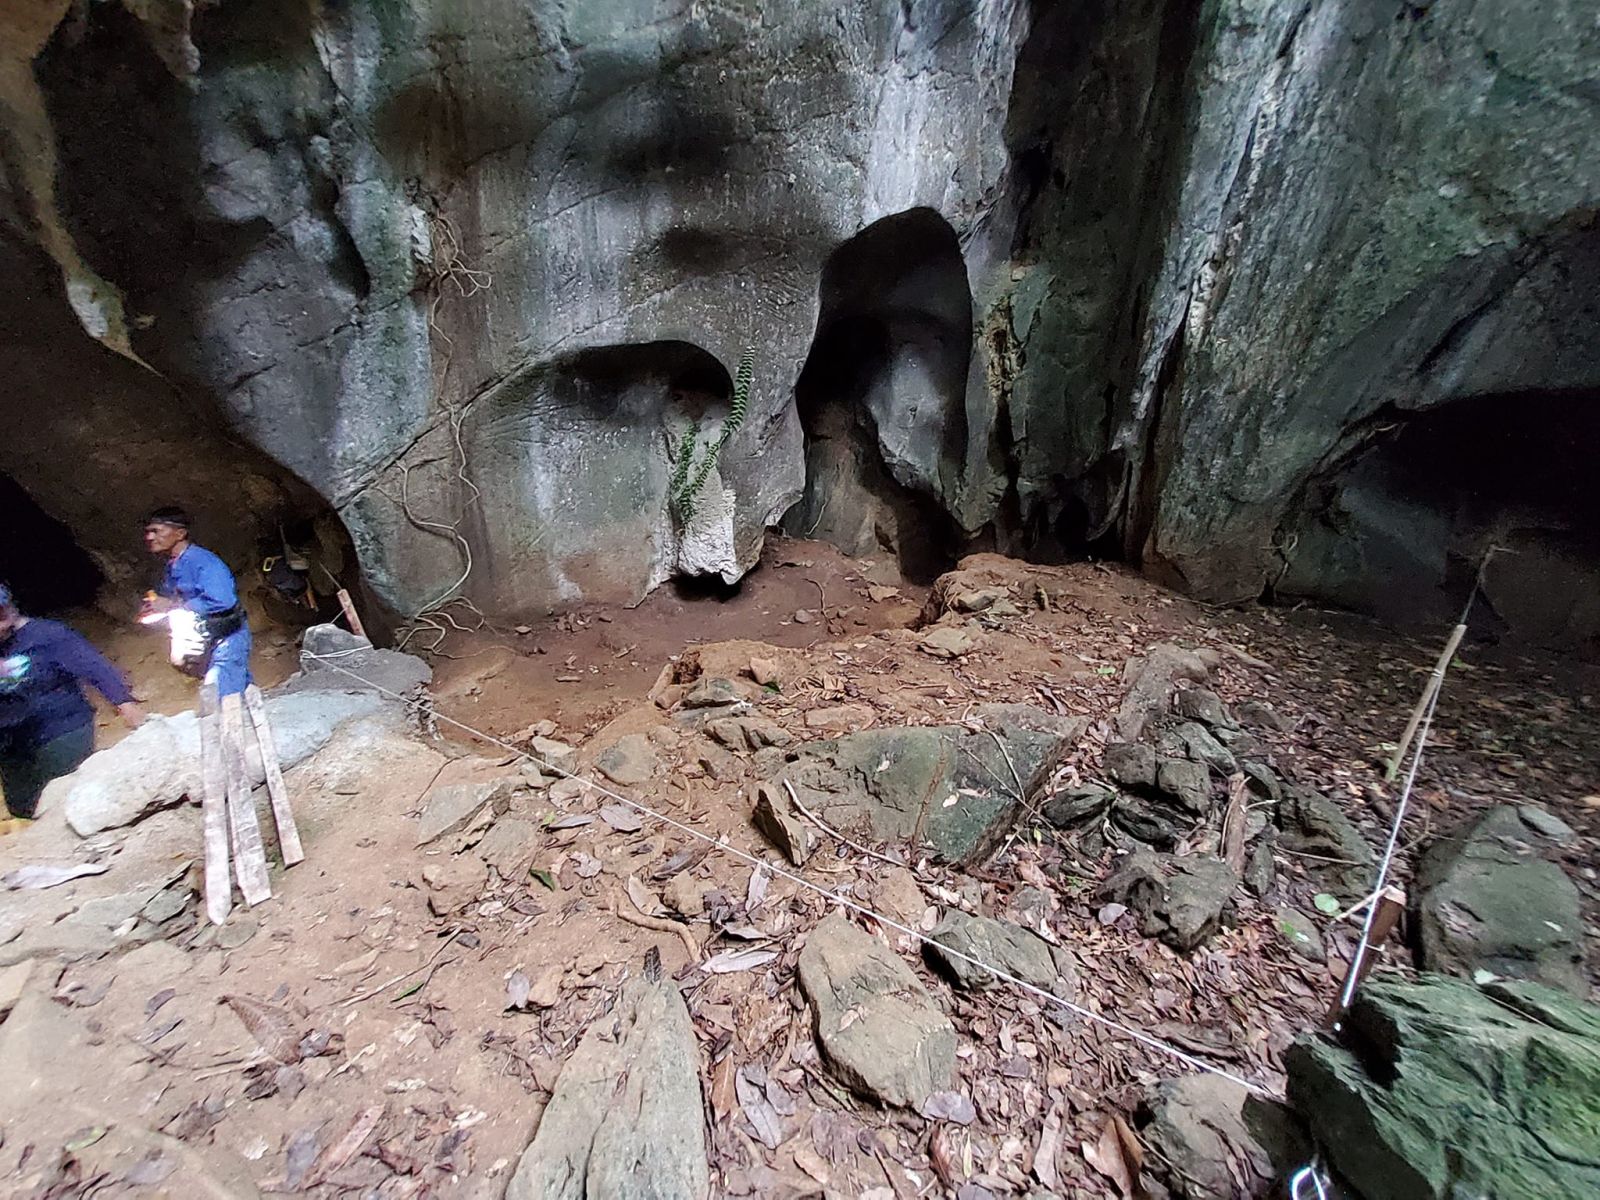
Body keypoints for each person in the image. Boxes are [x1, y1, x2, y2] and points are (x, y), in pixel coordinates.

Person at [0, 583, 144, 825]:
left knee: (64, 799)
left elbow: (94, 667)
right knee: (23, 806)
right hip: (12, 741)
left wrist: (124, 703)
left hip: (61, 729)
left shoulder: (48, 635)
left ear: (10, 608)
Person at [142, 507, 253, 698]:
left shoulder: (203, 562)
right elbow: (177, 598)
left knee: (225, 697)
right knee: (237, 691)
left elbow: (223, 601)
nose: (149, 537)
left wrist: (172, 606)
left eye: (157, 531)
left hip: (226, 639)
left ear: (180, 533)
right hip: (206, 639)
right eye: (148, 532)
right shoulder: (174, 565)